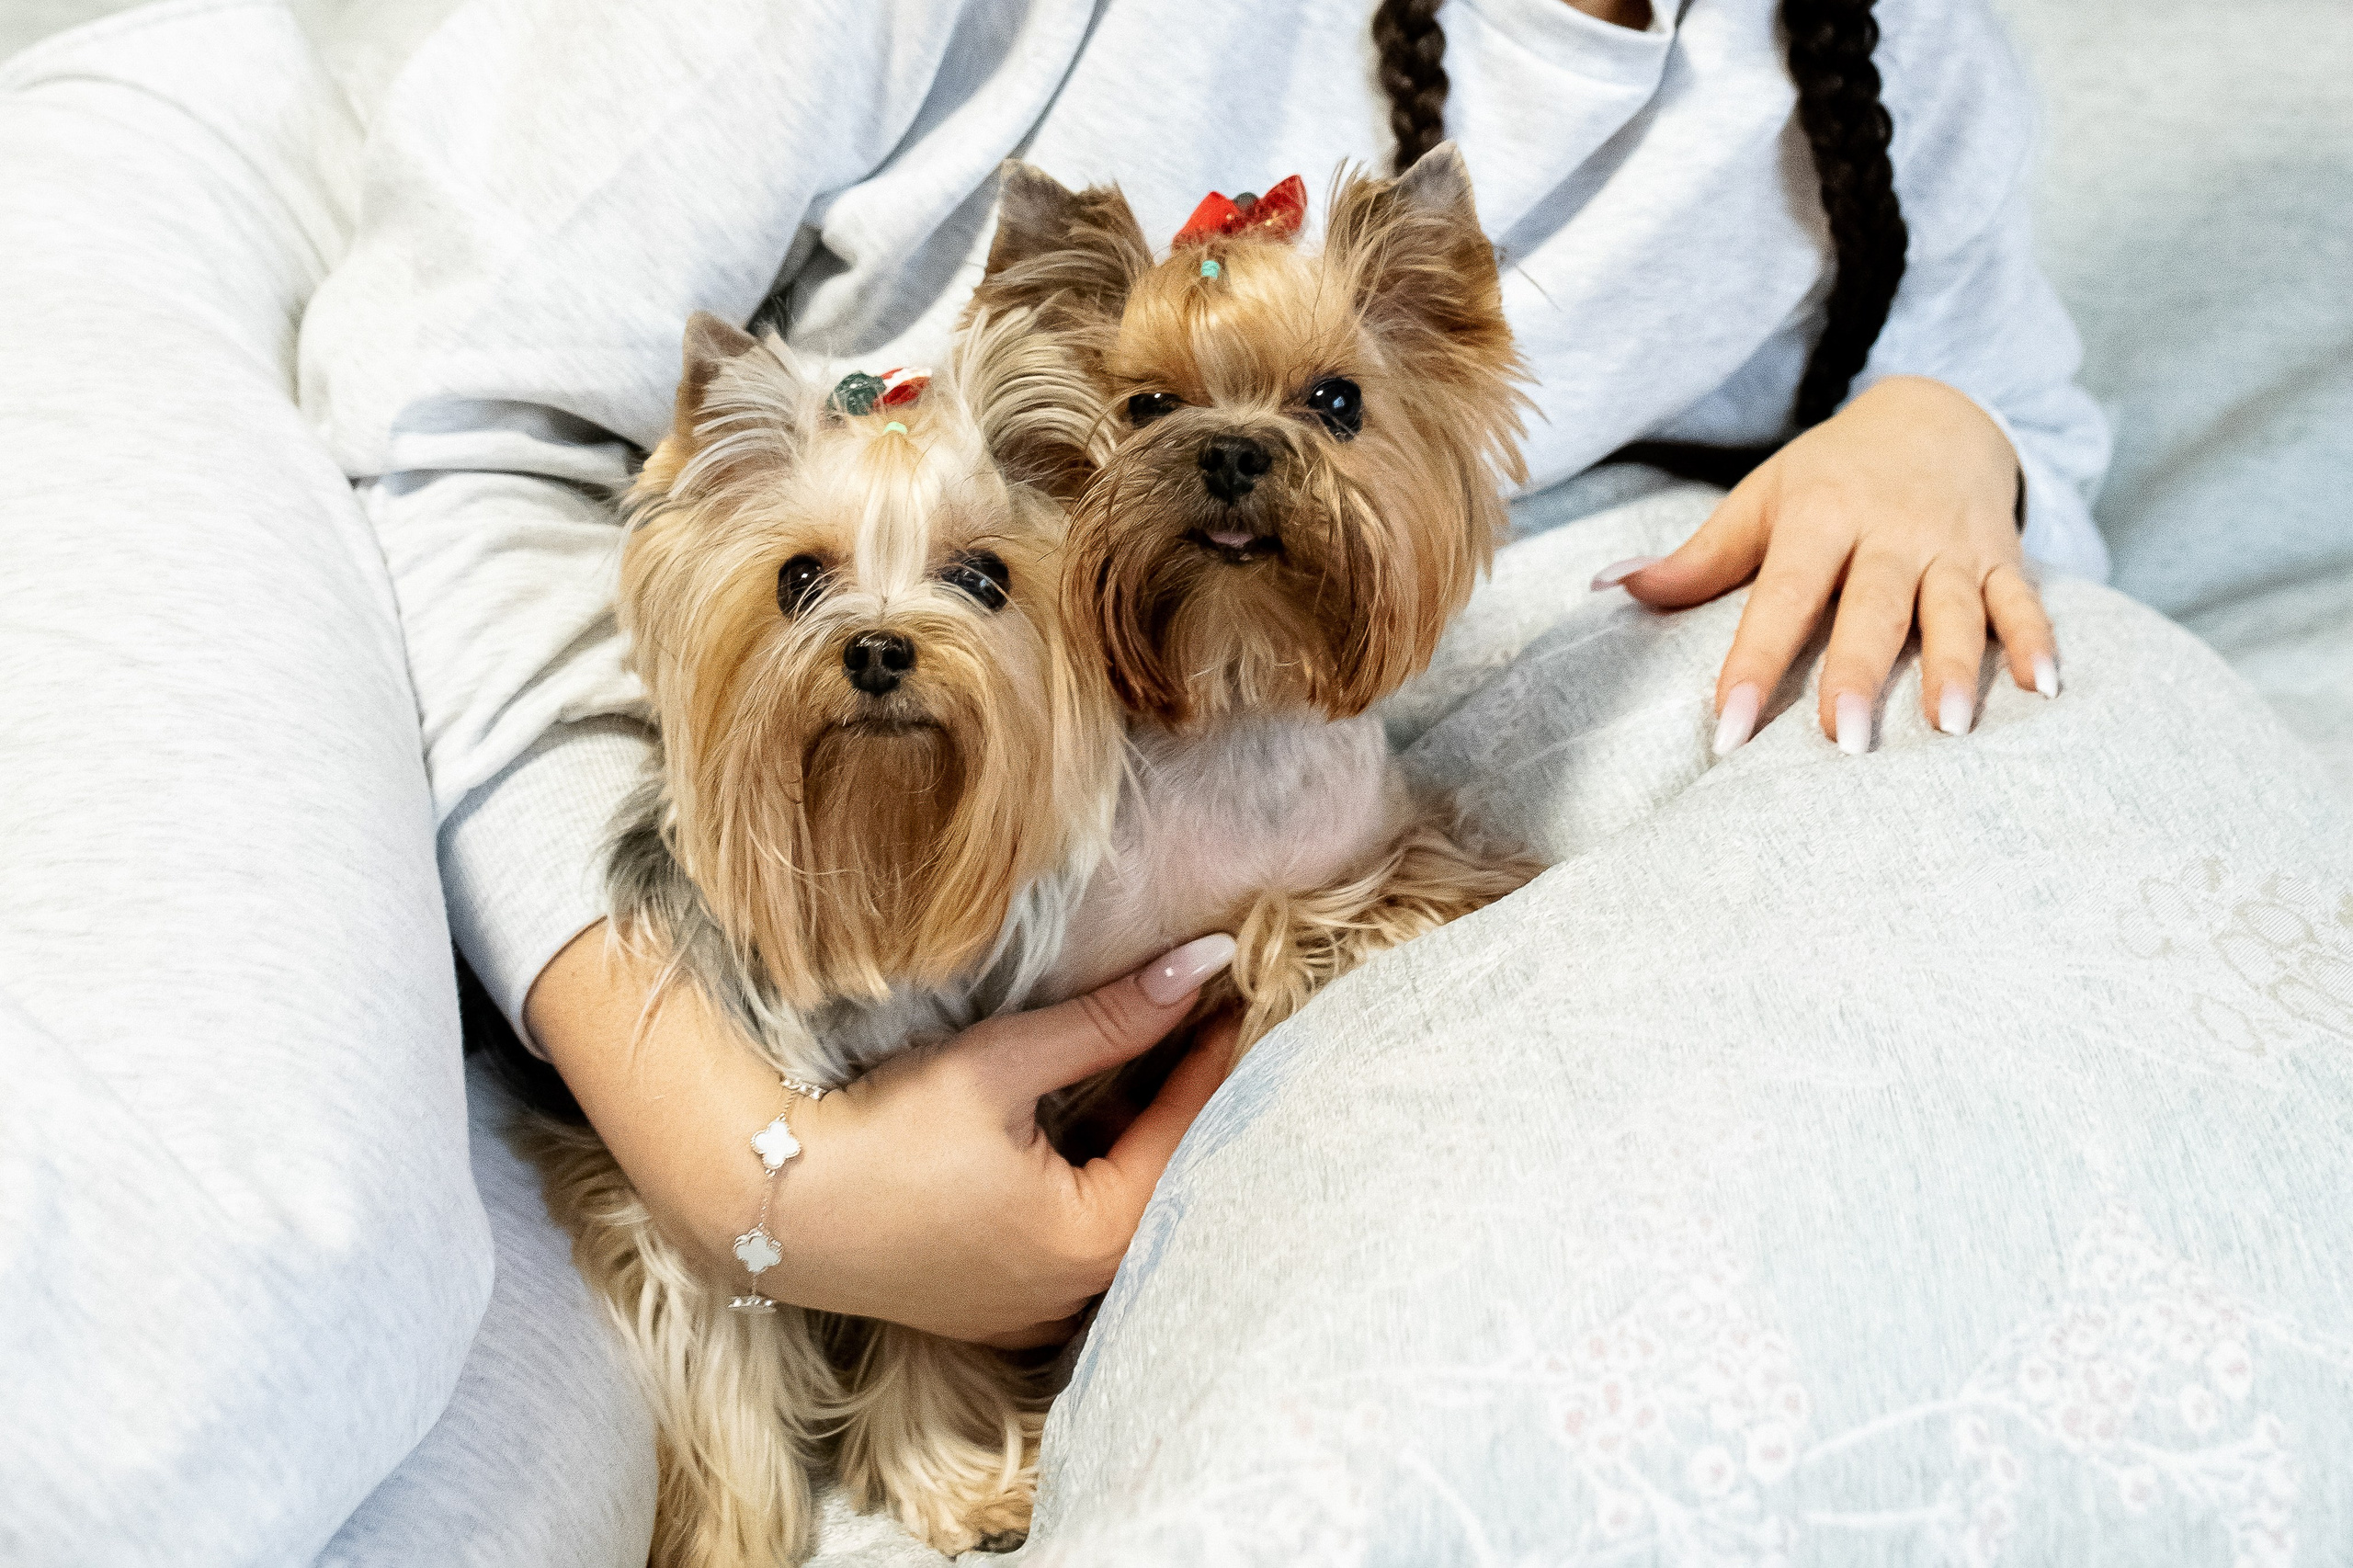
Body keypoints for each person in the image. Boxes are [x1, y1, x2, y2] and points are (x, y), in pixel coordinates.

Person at [299, 0, 2106, 1367]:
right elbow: (446, 414)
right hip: (558, 832)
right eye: (1150, 415)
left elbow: (2028, 406)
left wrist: (1946, 431)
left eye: (1319, 408)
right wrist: (738, 1160)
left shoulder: (1886, 62)